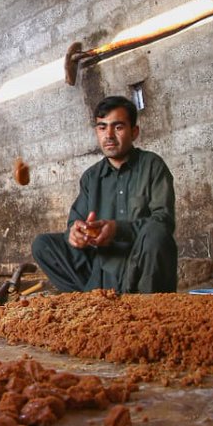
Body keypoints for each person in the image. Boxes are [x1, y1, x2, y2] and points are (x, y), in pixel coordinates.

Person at [32, 95, 177, 294]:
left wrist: (118, 230)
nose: (109, 135)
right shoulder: (91, 177)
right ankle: (93, 298)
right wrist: (76, 234)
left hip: (143, 269)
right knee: (43, 244)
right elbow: (74, 223)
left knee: (156, 232)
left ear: (134, 132)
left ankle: (146, 306)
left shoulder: (152, 165)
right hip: (102, 269)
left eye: (118, 127)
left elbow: (164, 221)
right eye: (102, 127)